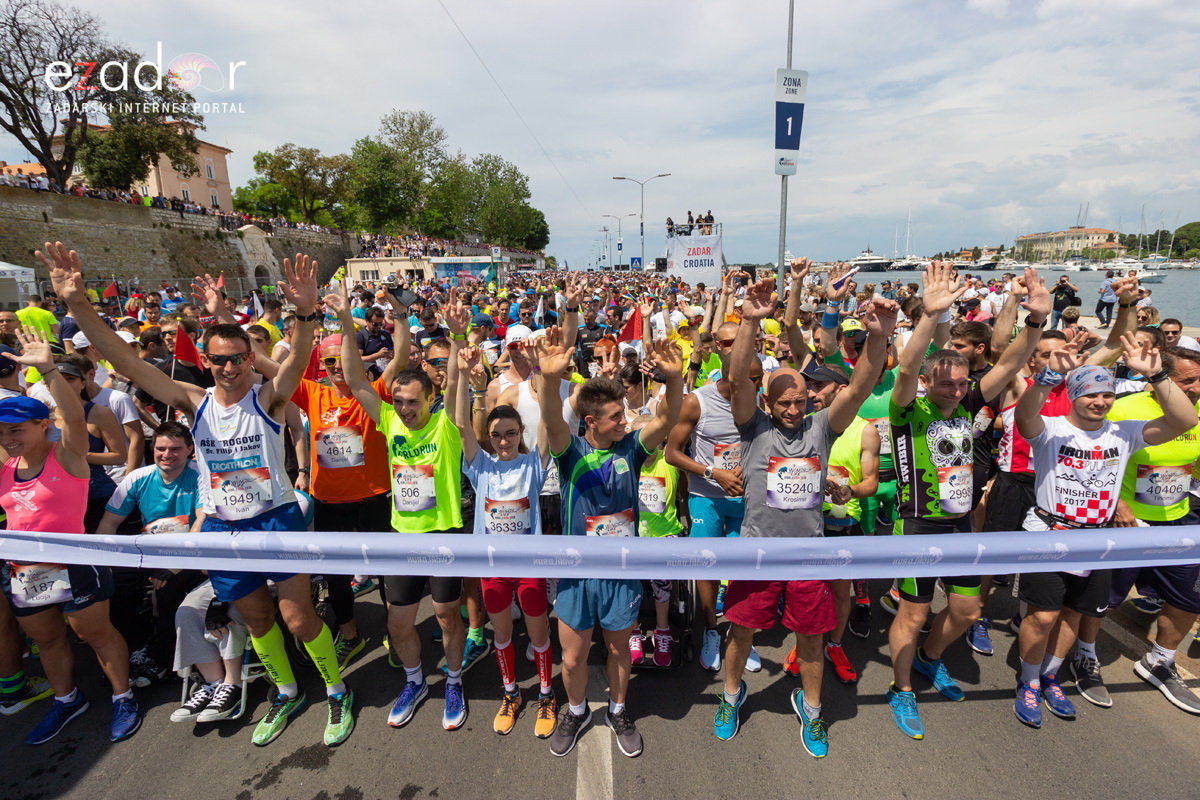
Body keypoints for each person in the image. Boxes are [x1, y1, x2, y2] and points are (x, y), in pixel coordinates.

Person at [42, 242, 355, 749]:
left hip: (275, 519)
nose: (229, 369)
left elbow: (297, 360)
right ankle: (287, 690)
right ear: (206, 362)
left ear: (249, 360)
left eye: (237, 360)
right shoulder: (193, 400)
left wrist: (304, 312)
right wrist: (77, 304)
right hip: (224, 528)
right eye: (219, 361)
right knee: (255, 619)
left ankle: (338, 690)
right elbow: (125, 359)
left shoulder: (269, 397)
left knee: (297, 617)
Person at [713, 265, 895, 759]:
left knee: (811, 640)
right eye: (785, 403)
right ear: (768, 405)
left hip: (808, 556)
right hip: (757, 553)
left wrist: (879, 338)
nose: (794, 410)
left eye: (800, 401)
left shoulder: (820, 428)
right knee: (742, 631)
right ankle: (731, 697)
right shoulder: (752, 426)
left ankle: (811, 710)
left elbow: (858, 388)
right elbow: (737, 379)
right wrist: (750, 319)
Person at [885, 262, 1049, 741]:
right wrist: (929, 317)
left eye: (961, 384)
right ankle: (902, 689)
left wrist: (1035, 321)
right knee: (913, 612)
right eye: (946, 385)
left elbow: (1009, 364)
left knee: (966, 611)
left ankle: (928, 659)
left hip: (959, 525)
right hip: (916, 524)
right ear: (929, 385)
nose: (956, 391)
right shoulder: (907, 409)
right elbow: (909, 367)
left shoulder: (971, 401)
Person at [1011, 335, 1197, 728]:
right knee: (1042, 617)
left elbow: (1184, 421)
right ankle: (1028, 682)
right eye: (1090, 395)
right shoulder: (1053, 428)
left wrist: (1159, 374)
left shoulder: (1123, 432)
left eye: (1107, 395)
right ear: (1075, 395)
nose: (1099, 402)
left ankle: (1050, 676)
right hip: (1049, 533)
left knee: (1075, 615)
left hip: (1098, 538)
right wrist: (1047, 378)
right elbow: (1025, 416)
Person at [534, 326, 684, 759]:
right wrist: (548, 379)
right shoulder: (570, 452)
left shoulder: (632, 450)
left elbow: (666, 420)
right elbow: (549, 420)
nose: (626, 421)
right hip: (577, 578)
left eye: (625, 413)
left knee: (620, 650)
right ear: (590, 422)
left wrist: (673, 381)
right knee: (574, 658)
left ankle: (618, 710)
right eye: (616, 417)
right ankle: (577, 710)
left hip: (620, 574)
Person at [333, 289, 470, 733]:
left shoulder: (445, 424)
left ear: (430, 398)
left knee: (449, 616)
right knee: (398, 621)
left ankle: (453, 680)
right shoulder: (389, 420)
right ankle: (414, 681)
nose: (406, 409)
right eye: (401, 401)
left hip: (443, 533)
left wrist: (458, 335)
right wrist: (344, 323)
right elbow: (355, 381)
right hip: (401, 536)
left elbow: (455, 382)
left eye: (414, 401)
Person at [0, 327, 139, 745]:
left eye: (16, 430)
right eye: (2, 432)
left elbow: (75, 417)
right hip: (25, 570)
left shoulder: (68, 457)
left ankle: (123, 696)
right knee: (46, 639)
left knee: (93, 634)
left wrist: (48, 371)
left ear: (43, 426)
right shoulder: (6, 465)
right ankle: (66, 699)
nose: (7, 439)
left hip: (75, 562)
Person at [1068, 345, 1200, 713]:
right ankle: (1085, 654)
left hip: (1178, 517)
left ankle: (1160, 660)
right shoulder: (1124, 409)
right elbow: (1092, 460)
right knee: (1102, 598)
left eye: (1199, 381)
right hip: (1124, 521)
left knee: (1189, 596)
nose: (1196, 388)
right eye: (1188, 380)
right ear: (1161, 376)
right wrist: (1118, 505)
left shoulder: (1194, 414)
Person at [445, 317, 558, 738]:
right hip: (492, 567)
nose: (505, 440)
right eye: (498, 435)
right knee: (503, 636)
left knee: (539, 635)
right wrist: (461, 374)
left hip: (529, 564)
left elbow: (548, 421)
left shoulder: (533, 462)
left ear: (520, 434)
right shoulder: (482, 467)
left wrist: (544, 372)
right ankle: (511, 692)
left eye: (511, 433)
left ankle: (547, 694)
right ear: (490, 437)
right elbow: (460, 425)